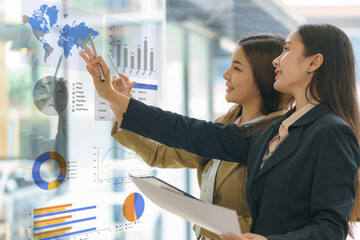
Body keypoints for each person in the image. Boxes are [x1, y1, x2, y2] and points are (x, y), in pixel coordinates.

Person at [80, 23, 360, 240]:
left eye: (287, 50)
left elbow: (331, 228)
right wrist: (114, 98)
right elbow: (188, 132)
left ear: (313, 62)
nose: (278, 60)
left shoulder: (331, 132)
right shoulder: (271, 130)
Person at [106, 35, 291, 239]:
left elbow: (276, 221)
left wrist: (205, 219)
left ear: (263, 77)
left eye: (237, 68)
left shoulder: (280, 136)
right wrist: (120, 105)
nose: (226, 74)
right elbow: (160, 154)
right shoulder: (224, 124)